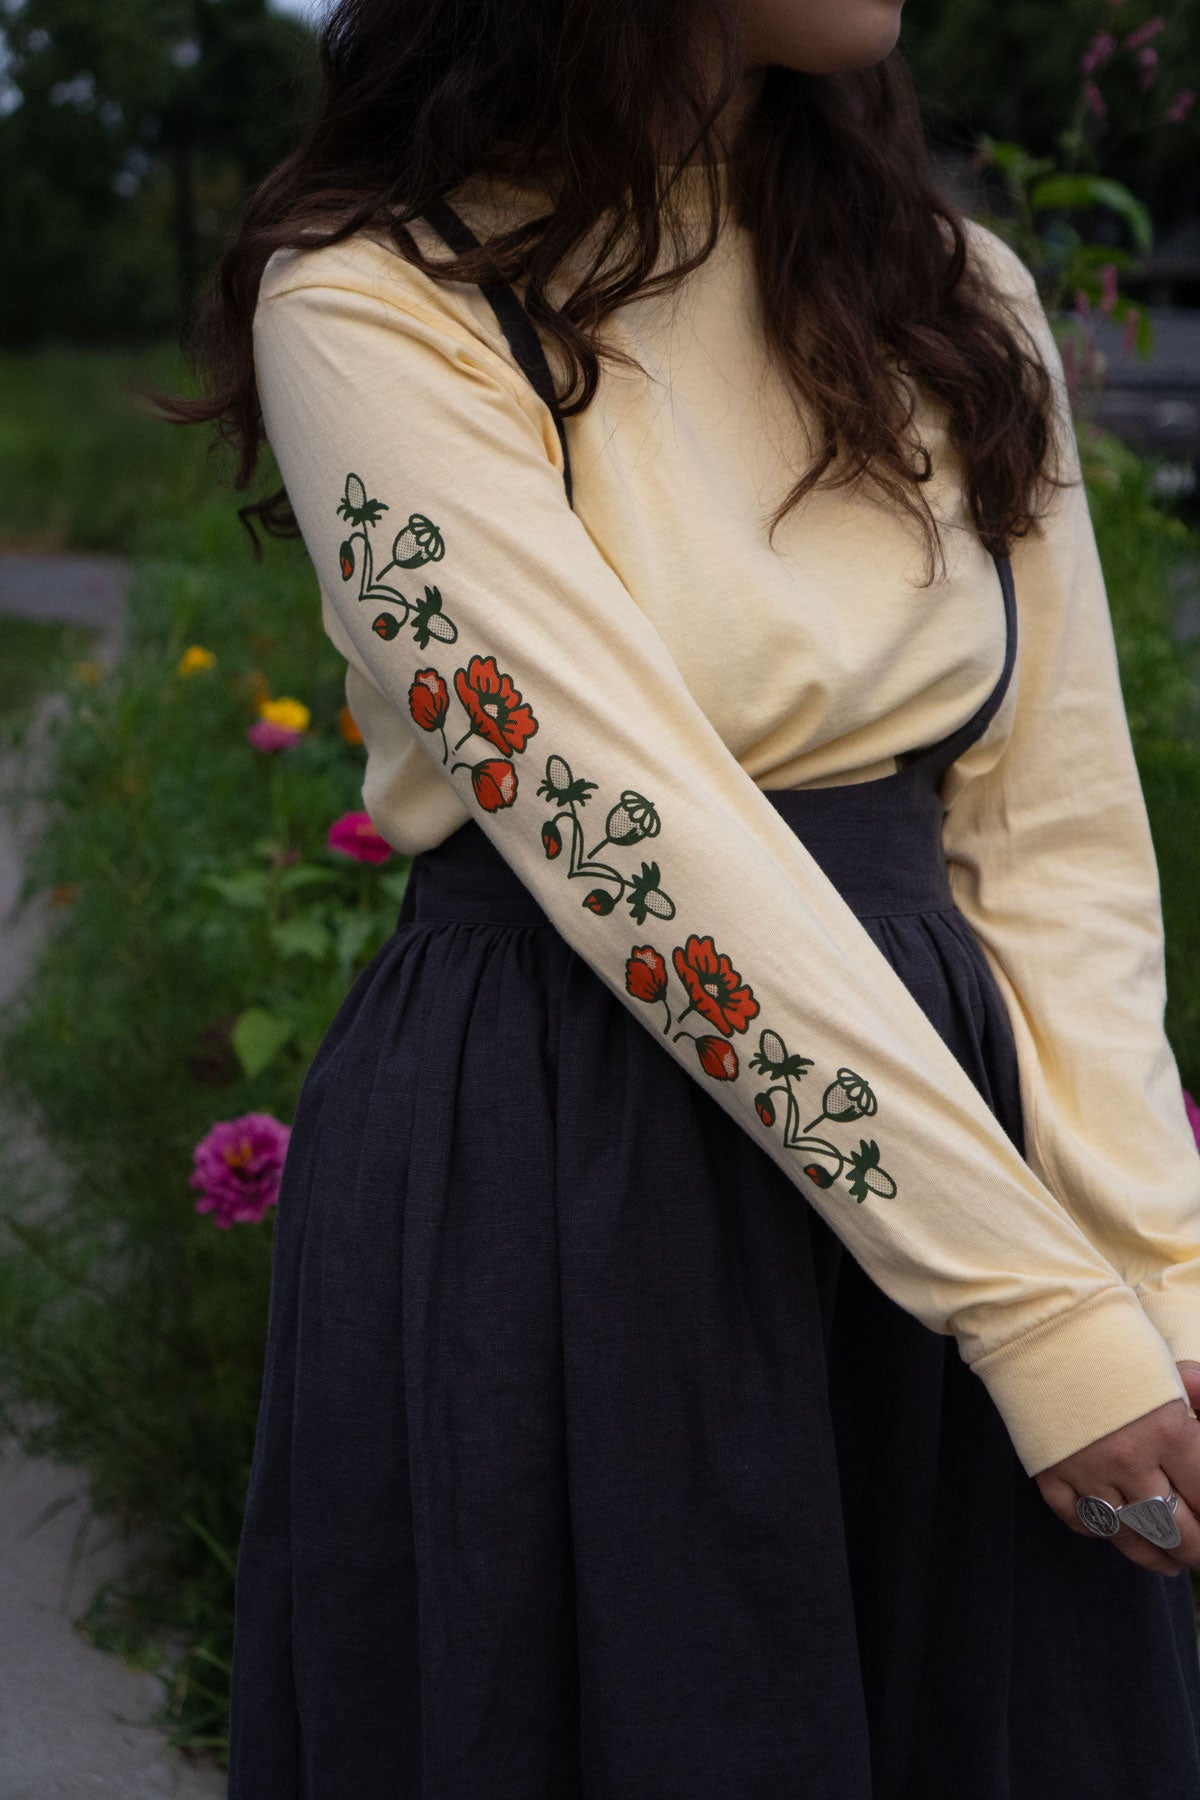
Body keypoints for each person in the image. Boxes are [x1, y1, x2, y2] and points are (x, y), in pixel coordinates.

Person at [171, 0, 1200, 1792]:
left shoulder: (952, 291)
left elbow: (1056, 844)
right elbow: (624, 839)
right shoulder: (371, 298)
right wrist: (1033, 1306)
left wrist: (1155, 1291)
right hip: (564, 1163)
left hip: (954, 1163)